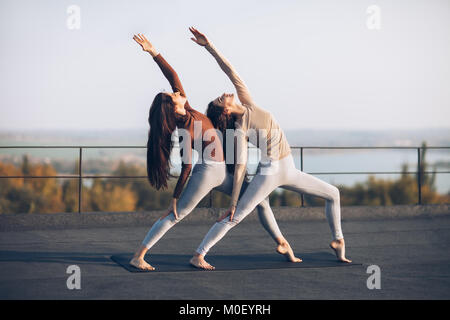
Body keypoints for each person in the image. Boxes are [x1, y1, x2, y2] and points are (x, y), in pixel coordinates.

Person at [130, 34, 300, 271]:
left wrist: (154, 52)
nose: (178, 92)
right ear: (173, 107)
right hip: (208, 173)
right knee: (176, 215)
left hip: (221, 173)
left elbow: (173, 76)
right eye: (174, 95)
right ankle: (139, 255)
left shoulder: (186, 108)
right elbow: (187, 166)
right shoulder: (186, 128)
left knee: (260, 200)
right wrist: (176, 197)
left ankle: (282, 243)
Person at [188, 27, 351, 270]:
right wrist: (233, 202)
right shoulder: (241, 128)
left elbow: (230, 71)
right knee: (237, 216)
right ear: (225, 111)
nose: (224, 94)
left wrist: (209, 46)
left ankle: (337, 241)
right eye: (221, 100)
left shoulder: (248, 103)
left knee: (333, 194)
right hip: (270, 172)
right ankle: (199, 254)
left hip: (289, 168)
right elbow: (241, 166)